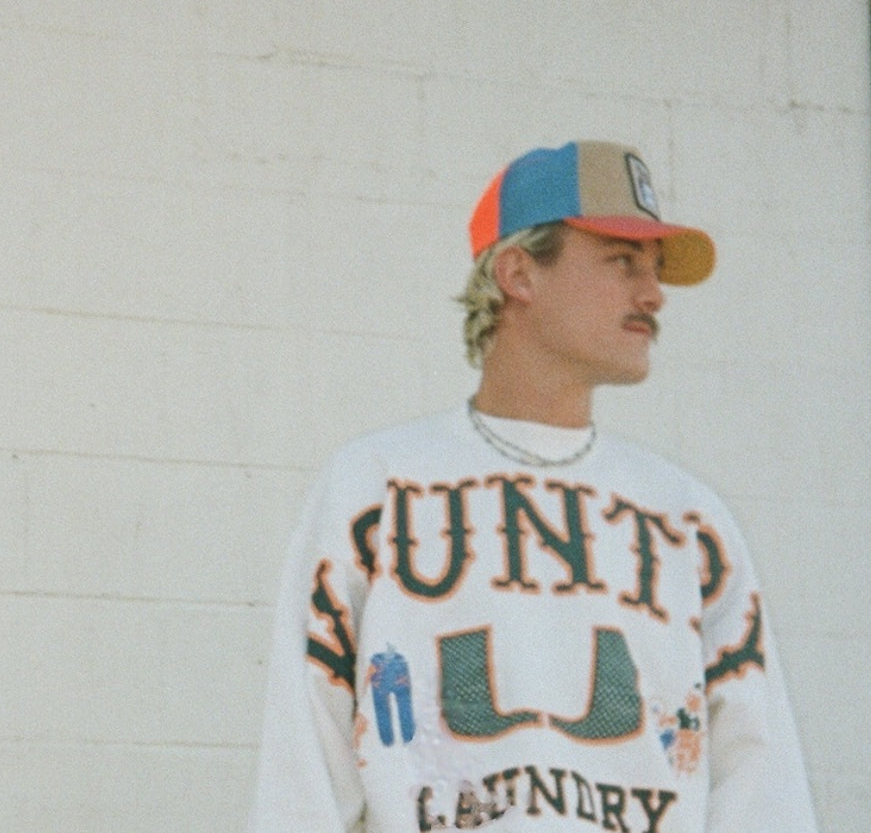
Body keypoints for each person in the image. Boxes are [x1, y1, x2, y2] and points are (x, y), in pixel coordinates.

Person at [248, 141, 818, 832]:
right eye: (621, 261)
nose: (653, 294)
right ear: (518, 272)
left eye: (656, 269)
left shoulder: (686, 517)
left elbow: (758, 778)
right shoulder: (377, 487)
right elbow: (305, 758)